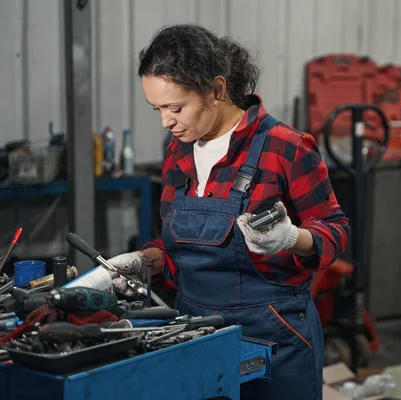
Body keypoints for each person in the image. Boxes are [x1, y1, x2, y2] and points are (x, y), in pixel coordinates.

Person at [105, 24, 350, 399]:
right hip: (193, 332)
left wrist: (292, 237)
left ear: (217, 89)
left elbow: (336, 230)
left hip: (273, 336)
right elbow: (176, 251)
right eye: (156, 109)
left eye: (175, 107)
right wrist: (146, 262)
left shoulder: (285, 147)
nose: (165, 122)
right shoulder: (178, 152)